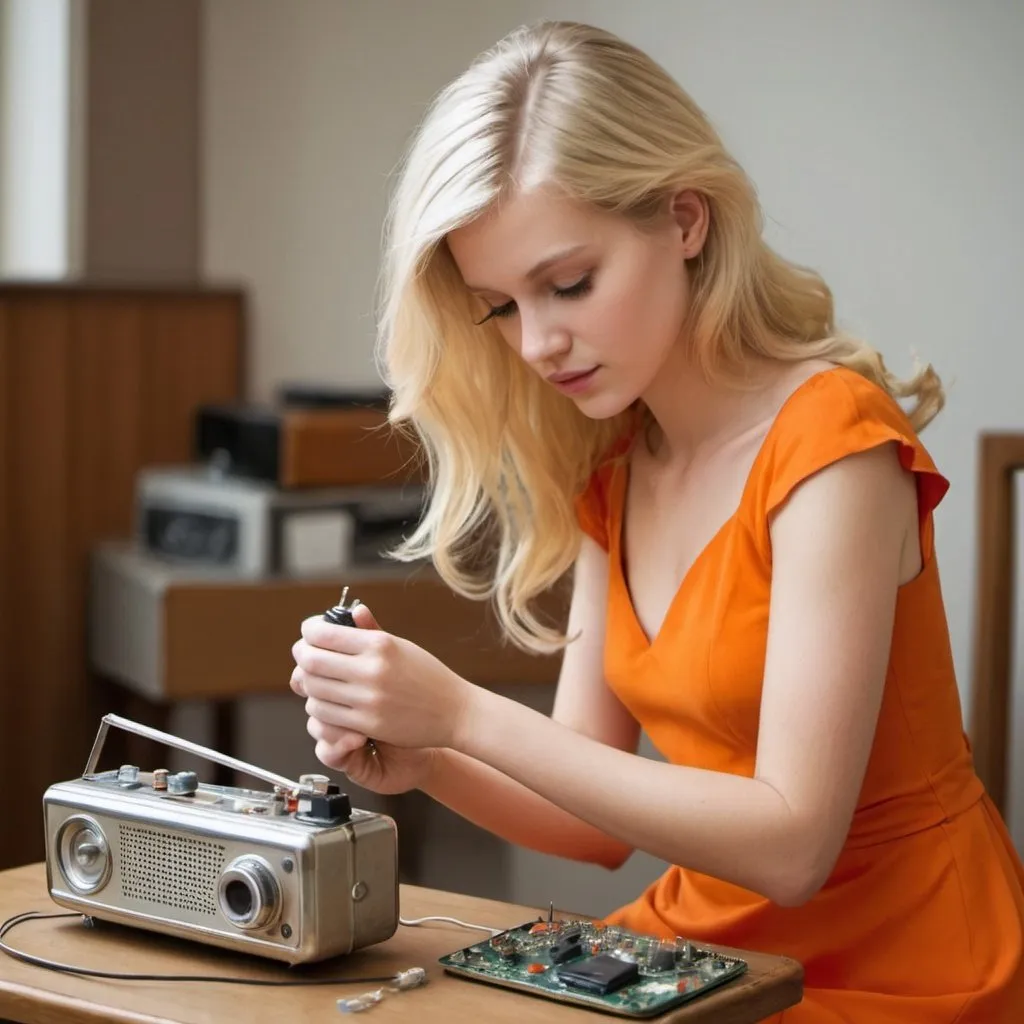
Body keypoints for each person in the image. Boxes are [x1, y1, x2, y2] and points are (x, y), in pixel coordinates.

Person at [288, 20, 1024, 1022]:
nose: (540, 342)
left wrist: (462, 711)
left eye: (569, 283)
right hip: (708, 951)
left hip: (906, 966)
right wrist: (425, 757)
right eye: (500, 306)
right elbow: (585, 815)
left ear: (684, 220)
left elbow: (792, 844)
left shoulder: (835, 446)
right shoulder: (618, 468)